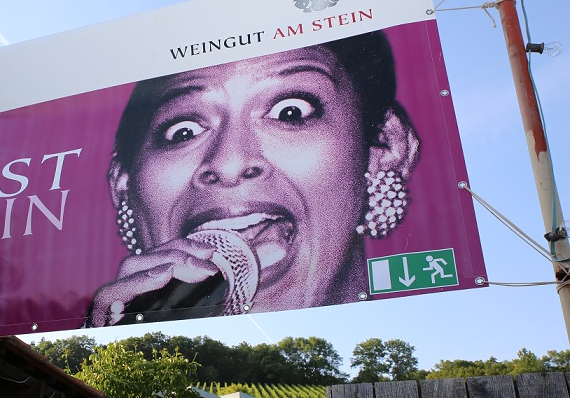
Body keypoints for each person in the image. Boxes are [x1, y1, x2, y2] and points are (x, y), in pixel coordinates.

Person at [87, 31, 419, 327]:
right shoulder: (121, 344)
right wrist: (125, 348)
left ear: (387, 145)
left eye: (290, 113)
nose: (228, 164)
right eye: (183, 131)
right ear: (122, 185)